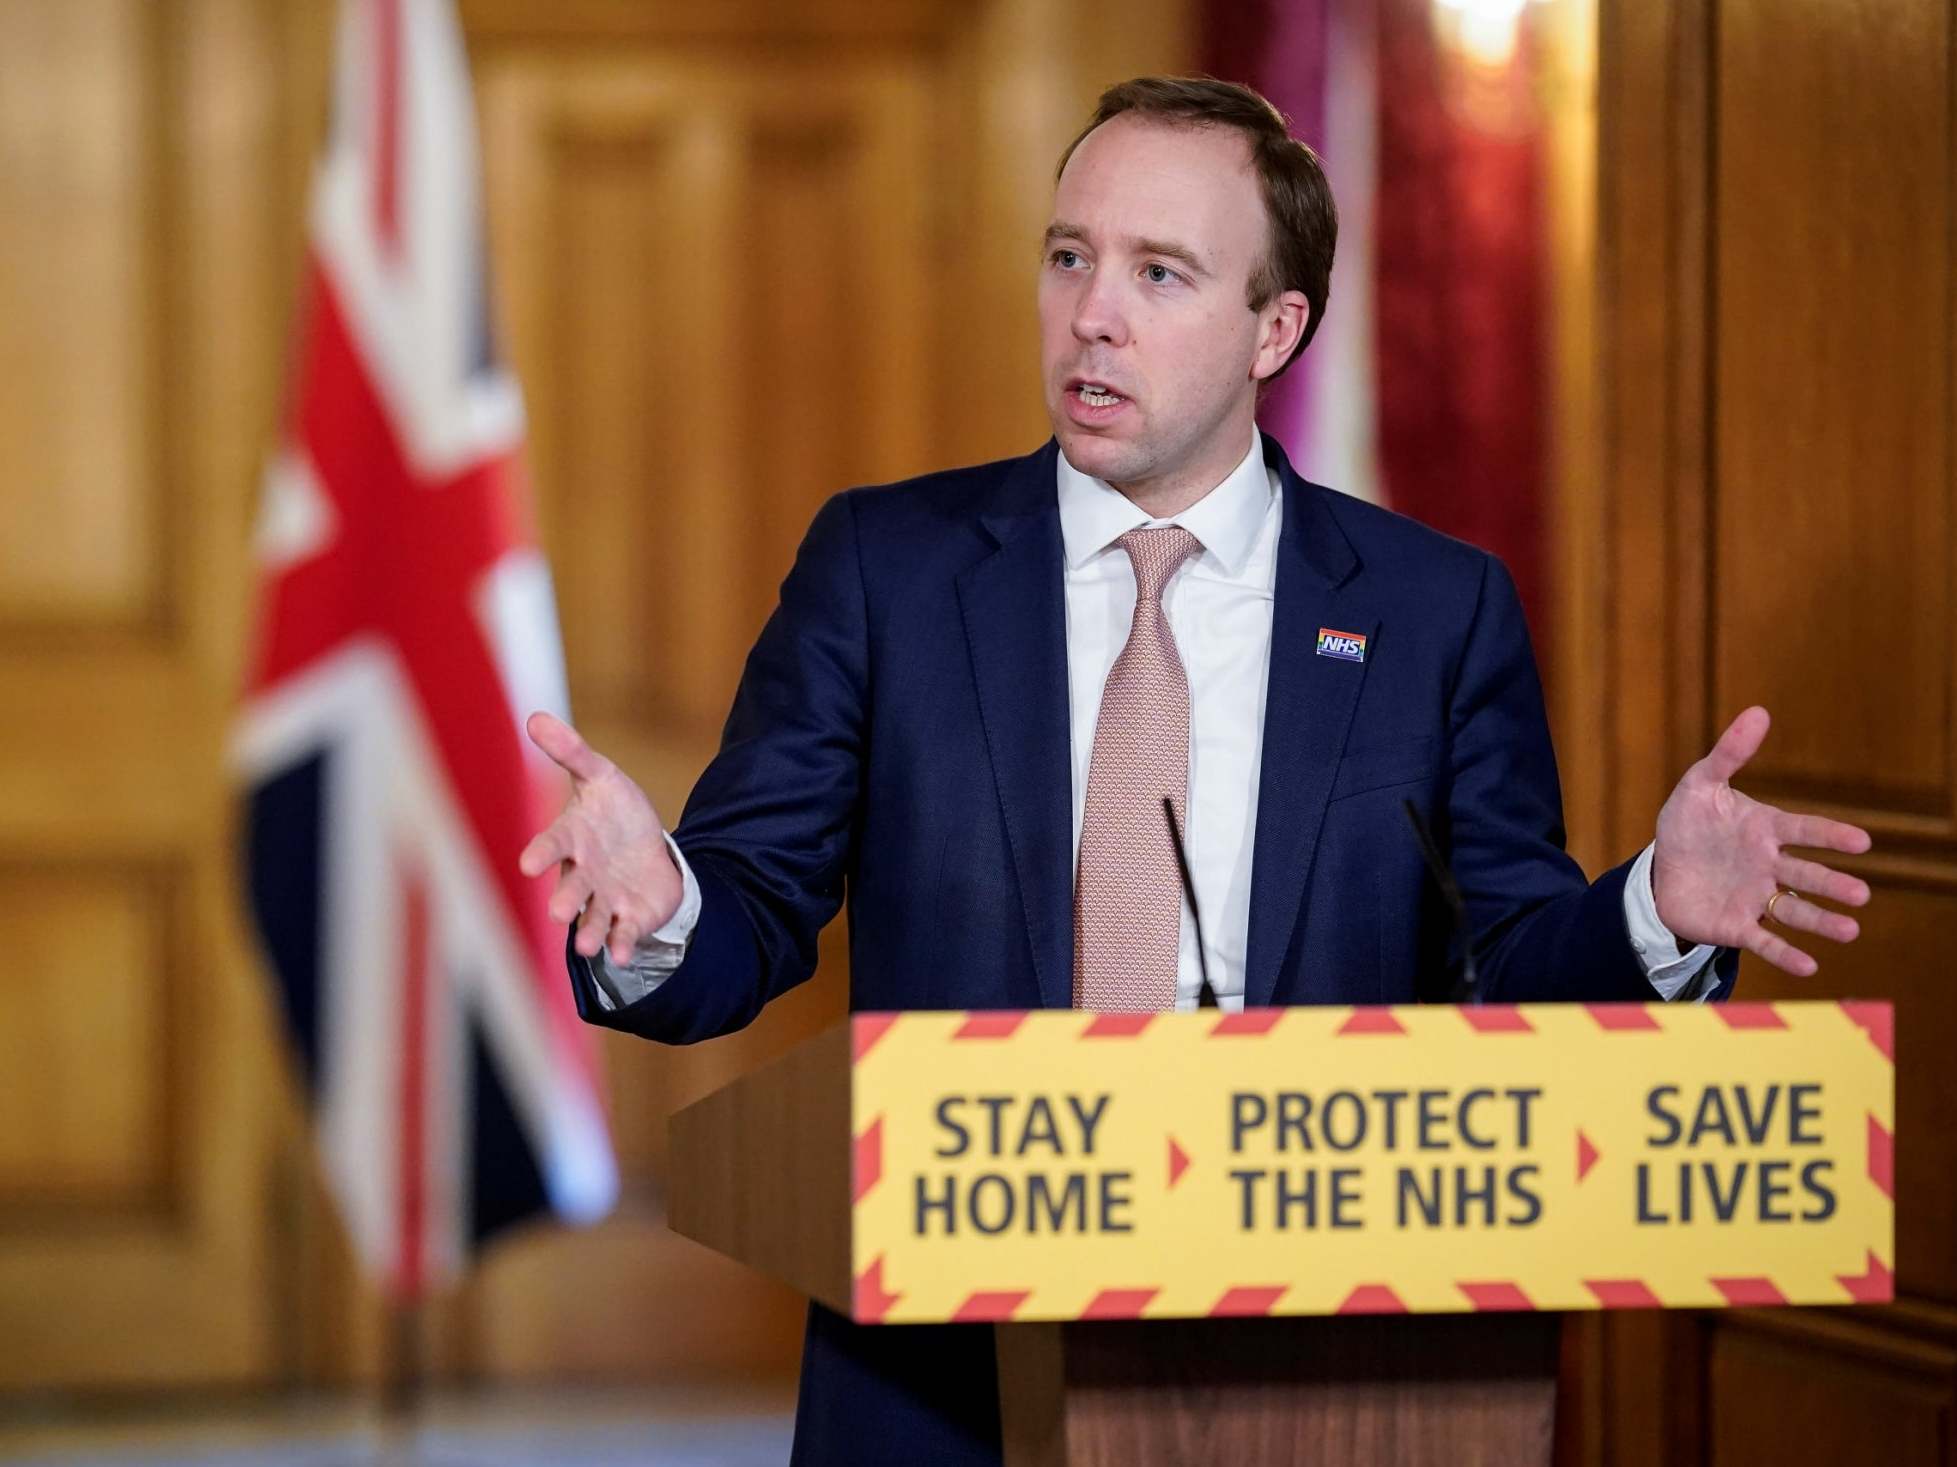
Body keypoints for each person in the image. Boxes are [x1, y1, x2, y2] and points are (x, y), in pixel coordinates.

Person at [518, 76, 1871, 1467]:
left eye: (1158, 272)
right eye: (1068, 257)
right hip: (944, 1375)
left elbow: (1513, 965)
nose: (1091, 312)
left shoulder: (1428, 608)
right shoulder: (887, 571)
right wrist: (656, 896)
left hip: (1330, 1371)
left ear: (1272, 329)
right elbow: (749, 910)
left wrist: (1651, 909)